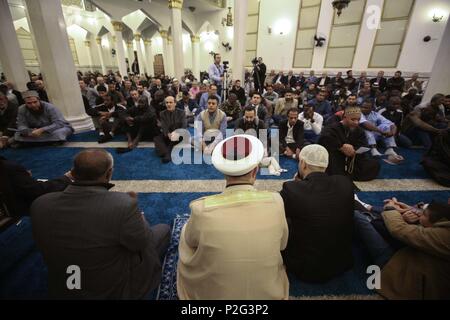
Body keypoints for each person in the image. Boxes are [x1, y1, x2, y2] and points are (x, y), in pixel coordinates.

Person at [30, 149, 170, 299]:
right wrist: (138, 214)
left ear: (72, 172)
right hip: (111, 290)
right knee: (164, 230)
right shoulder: (122, 205)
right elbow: (141, 242)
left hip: (64, 286)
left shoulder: (40, 203)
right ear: (109, 173)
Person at [177, 134, 289, 299]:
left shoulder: (201, 209)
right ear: (255, 171)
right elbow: (282, 245)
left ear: (224, 172)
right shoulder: (276, 201)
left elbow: (191, 240)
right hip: (268, 293)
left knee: (185, 234)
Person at [280, 145, 354, 282]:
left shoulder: (291, 188)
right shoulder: (345, 183)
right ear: (326, 165)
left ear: (302, 163)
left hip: (305, 268)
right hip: (341, 263)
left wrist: (296, 185)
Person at [354, 198, 450, 299]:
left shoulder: (445, 237)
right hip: (409, 253)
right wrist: (412, 210)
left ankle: (366, 213)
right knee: (394, 215)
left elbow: (399, 229)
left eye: (424, 214)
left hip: (397, 268)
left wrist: (391, 209)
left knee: (358, 216)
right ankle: (367, 207)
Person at [319, 106, 380, 182]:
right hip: (336, 157)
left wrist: (353, 150)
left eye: (358, 120)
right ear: (344, 117)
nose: (356, 122)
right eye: (353, 119)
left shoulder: (359, 130)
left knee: (374, 164)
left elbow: (363, 145)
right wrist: (341, 147)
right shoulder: (331, 128)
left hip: (352, 158)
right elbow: (324, 141)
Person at [0, 156, 71, 217]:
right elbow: (37, 190)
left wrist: (22, 177)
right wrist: (66, 178)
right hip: (14, 209)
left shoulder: (8, 167)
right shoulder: (8, 167)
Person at [154, 95, 187, 163]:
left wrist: (177, 133)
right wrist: (168, 133)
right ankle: (165, 152)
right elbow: (164, 126)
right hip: (168, 135)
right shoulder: (162, 113)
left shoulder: (181, 112)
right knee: (157, 138)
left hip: (179, 135)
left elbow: (184, 126)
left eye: (171, 102)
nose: (168, 104)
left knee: (175, 137)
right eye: (167, 102)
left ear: (175, 103)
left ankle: (167, 154)